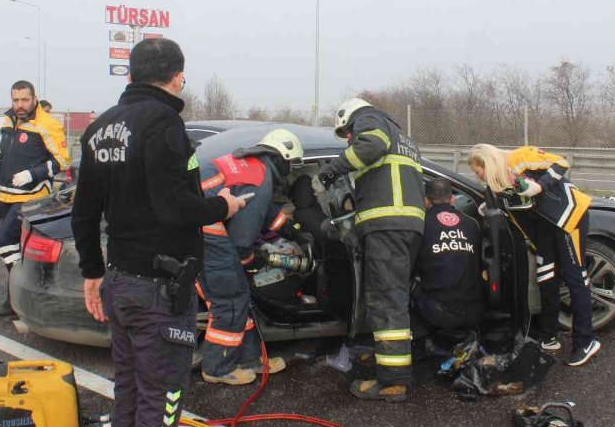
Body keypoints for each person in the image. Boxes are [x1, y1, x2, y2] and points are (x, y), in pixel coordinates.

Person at [71, 38, 246, 427]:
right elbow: (176, 209)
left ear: (130, 76)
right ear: (178, 75)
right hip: (160, 292)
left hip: (120, 284)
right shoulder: (164, 124)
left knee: (129, 395)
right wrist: (225, 204)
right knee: (162, 403)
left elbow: (83, 214)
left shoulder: (99, 129)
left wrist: (93, 274)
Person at [317, 98, 425, 403]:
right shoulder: (400, 134)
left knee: (386, 301)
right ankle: (388, 360)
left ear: (352, 117)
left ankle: (392, 381)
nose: (350, 139)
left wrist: (333, 170)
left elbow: (369, 146)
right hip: (405, 226)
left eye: (347, 133)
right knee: (394, 297)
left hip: (387, 226)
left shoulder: (370, 119)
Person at [467, 144, 601, 367]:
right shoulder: (497, 183)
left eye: (476, 170)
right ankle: (549, 337)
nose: (476, 175)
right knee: (546, 277)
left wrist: (539, 187)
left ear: (486, 163)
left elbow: (561, 163)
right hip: (544, 228)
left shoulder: (519, 157)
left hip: (568, 218)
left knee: (575, 276)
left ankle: (586, 341)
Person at [197, 128, 304, 385]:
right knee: (230, 300)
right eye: (291, 164)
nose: (290, 170)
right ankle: (217, 368)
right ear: (282, 158)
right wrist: (250, 261)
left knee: (240, 297)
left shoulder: (254, 167)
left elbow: (261, 207)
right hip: (208, 235)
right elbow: (242, 240)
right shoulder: (261, 177)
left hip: (205, 230)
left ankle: (250, 360)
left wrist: (289, 228)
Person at [0, 80, 69, 317]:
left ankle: (25, 289)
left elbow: (62, 160)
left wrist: (35, 173)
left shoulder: (47, 124)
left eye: (24, 100)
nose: (20, 105)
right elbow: (0, 155)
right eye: (15, 100)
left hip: (32, 197)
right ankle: (17, 297)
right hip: (6, 195)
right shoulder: (8, 121)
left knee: (3, 240)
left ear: (34, 98)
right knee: (19, 248)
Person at [412, 178, 484, 343]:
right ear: (452, 199)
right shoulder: (472, 224)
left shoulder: (419, 225)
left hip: (438, 314)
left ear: (425, 201)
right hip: (474, 311)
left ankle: (418, 339)